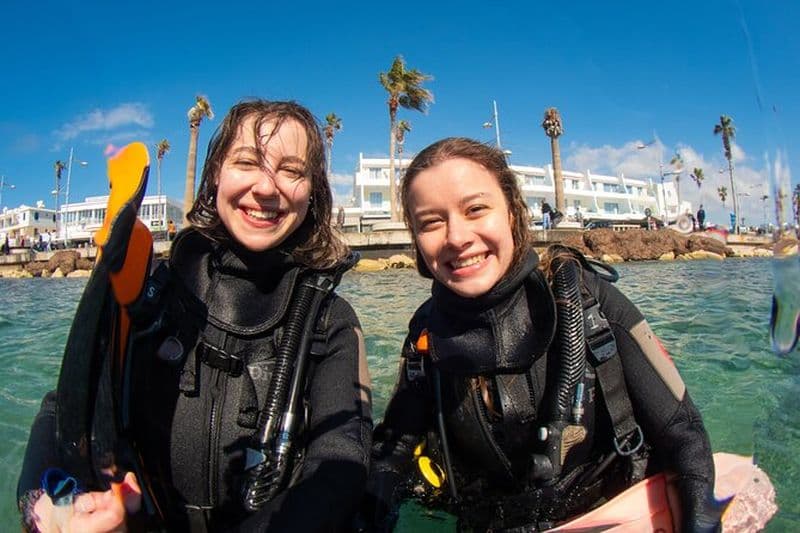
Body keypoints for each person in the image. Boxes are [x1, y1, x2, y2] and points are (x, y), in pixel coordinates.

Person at [18, 100, 372, 532]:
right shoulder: (150, 295)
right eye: (247, 162)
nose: (266, 187)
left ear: (313, 191)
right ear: (215, 175)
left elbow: (343, 454)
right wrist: (51, 507)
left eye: (292, 171)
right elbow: (65, 408)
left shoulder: (328, 319)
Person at [361, 138, 722, 531]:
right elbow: (393, 451)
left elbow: (683, 434)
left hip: (603, 514)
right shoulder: (425, 334)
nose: (457, 237)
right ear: (416, 239)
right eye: (431, 222)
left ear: (513, 214)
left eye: (476, 209)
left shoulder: (588, 301)